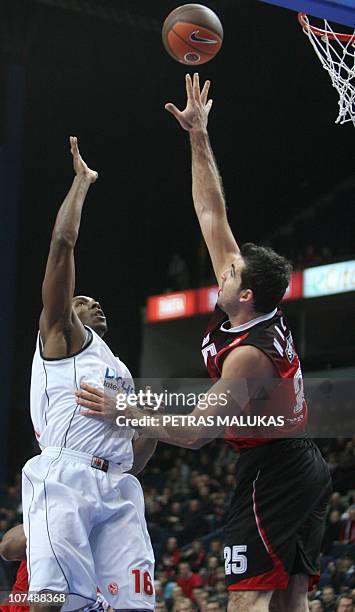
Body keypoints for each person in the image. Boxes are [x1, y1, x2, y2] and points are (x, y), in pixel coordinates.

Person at [76, 76, 332, 612]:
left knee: (246, 601)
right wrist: (198, 136)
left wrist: (126, 409)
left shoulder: (248, 358)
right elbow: (211, 213)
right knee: (290, 601)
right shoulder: (250, 303)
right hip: (293, 464)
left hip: (275, 469)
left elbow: (194, 433)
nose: (221, 267)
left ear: (246, 295)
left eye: (230, 272)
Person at [22, 137, 156, 612]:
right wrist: (81, 184)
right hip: (67, 475)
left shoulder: (118, 371)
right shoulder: (61, 337)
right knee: (52, 599)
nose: (93, 302)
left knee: (134, 607)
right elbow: (62, 245)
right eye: (82, 300)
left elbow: (137, 457)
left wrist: (145, 426)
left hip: (119, 486)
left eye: (96, 301)